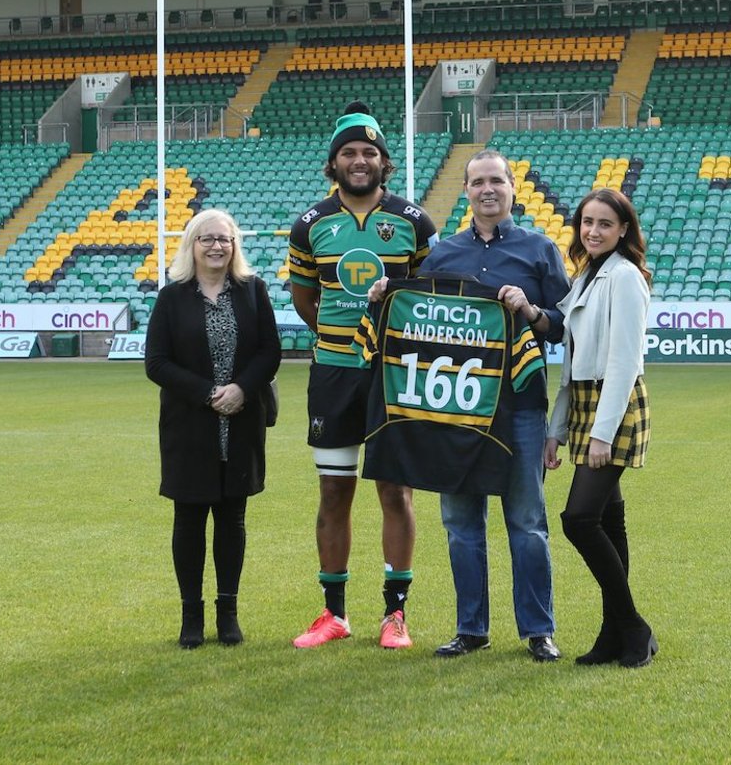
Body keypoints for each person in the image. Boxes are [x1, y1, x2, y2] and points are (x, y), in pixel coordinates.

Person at [372, 150, 570, 662]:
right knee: (461, 524)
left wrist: (530, 311)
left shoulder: (540, 250)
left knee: (527, 522)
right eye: (478, 181)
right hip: (456, 410)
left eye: (496, 181)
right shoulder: (442, 257)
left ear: (511, 189)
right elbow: (417, 320)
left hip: (520, 405)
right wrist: (384, 296)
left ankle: (538, 630)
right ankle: (471, 629)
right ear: (465, 190)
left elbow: (566, 324)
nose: (488, 190)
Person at [287, 102, 438, 649]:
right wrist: (343, 337)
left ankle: (394, 615)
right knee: (334, 492)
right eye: (349, 153)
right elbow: (307, 301)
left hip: (393, 374)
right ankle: (334, 614)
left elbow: (429, 297)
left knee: (395, 491)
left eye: (368, 153)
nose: (359, 161)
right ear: (334, 162)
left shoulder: (414, 222)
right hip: (333, 373)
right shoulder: (310, 225)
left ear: (383, 161)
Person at [145, 209, 281, 648]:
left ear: (235, 245)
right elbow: (157, 363)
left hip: (241, 424)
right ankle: (191, 617)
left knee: (232, 519)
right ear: (191, 245)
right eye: (207, 239)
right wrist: (209, 393)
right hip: (190, 425)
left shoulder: (253, 291)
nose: (217, 246)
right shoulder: (171, 297)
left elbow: (269, 351)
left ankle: (228, 614)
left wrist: (241, 389)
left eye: (224, 239)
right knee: (188, 520)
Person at [544, 188, 656, 668]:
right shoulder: (587, 275)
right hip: (585, 404)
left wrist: (602, 434)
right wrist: (556, 430)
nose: (592, 231)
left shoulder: (625, 277)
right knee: (609, 520)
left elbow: (625, 360)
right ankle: (615, 635)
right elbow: (570, 362)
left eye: (604, 224)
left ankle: (632, 625)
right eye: (587, 222)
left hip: (614, 404)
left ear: (624, 229)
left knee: (579, 519)